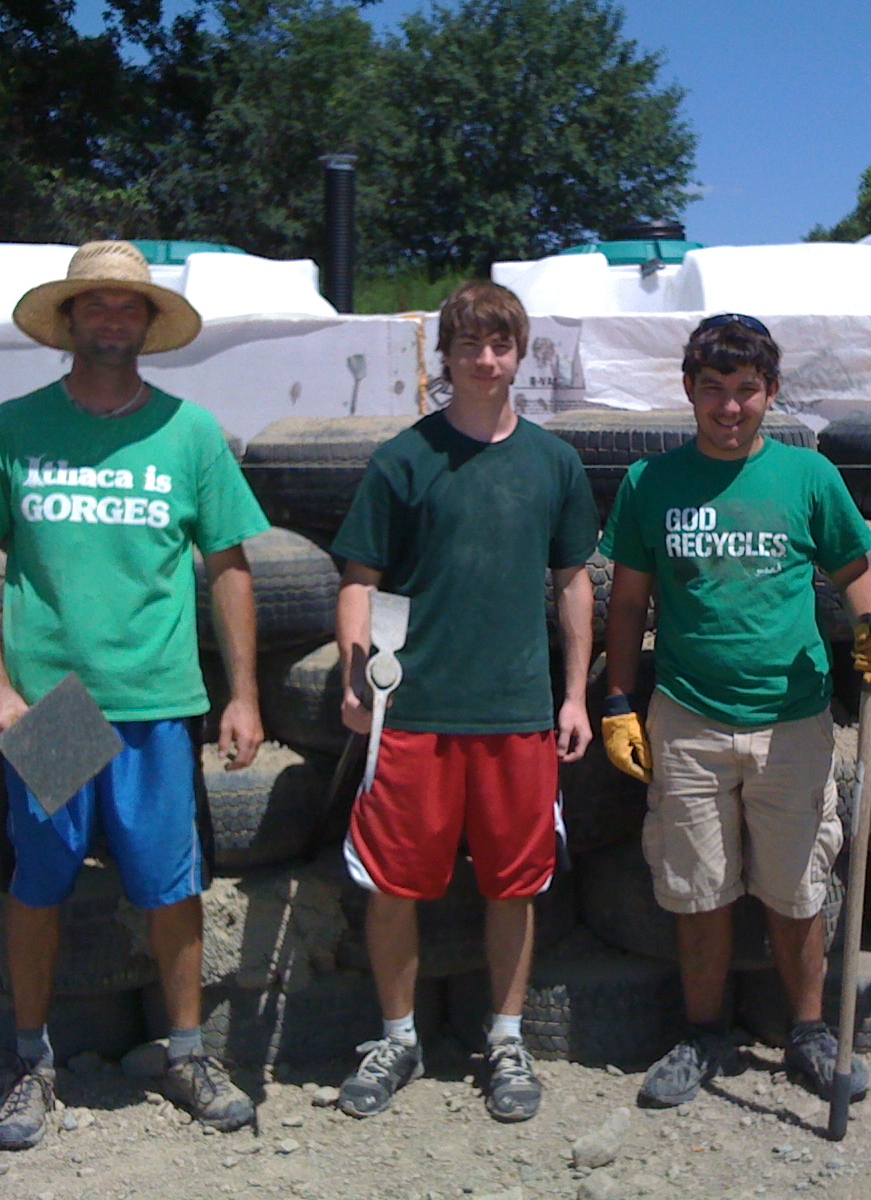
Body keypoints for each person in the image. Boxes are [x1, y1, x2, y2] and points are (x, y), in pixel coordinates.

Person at [0, 240, 269, 1149]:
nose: (114, 319)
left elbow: (230, 566)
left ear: (149, 326)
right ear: (71, 320)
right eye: (98, 306)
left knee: (171, 886)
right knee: (38, 885)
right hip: (55, 708)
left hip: (159, 701)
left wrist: (242, 695)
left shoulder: (188, 432)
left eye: (130, 307)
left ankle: (188, 1052)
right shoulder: (14, 428)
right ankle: (30, 1063)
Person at [598, 313, 871, 1108]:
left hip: (794, 719)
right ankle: (703, 1035)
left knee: (798, 889)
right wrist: (620, 702)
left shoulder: (808, 479)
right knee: (699, 889)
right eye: (713, 392)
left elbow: (855, 575)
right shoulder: (649, 485)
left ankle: (807, 1032)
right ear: (689, 392)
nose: (729, 408)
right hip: (687, 718)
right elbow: (627, 606)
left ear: (770, 394)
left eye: (745, 392)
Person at [330, 281, 597, 1123]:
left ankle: (508, 1038)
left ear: (520, 354)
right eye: (470, 345)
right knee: (394, 885)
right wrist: (354, 678)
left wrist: (576, 696)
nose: (486, 360)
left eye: (501, 345)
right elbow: (361, 581)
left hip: (518, 714)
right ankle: (398, 1038)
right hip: (413, 715)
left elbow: (574, 586)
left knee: (513, 885)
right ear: (444, 356)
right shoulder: (404, 459)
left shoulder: (553, 462)